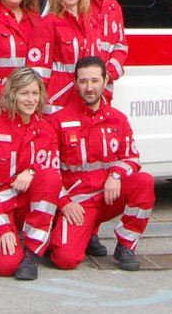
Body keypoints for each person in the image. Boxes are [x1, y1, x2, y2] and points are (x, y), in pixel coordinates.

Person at [49, 57, 153, 272]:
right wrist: (64, 203)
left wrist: (115, 175)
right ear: (75, 82)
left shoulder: (118, 119)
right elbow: (48, 170)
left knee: (144, 181)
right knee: (65, 260)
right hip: (78, 203)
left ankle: (126, 245)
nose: (89, 87)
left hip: (108, 196)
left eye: (95, 81)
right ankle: (78, 233)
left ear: (105, 81)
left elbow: (132, 158)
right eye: (83, 81)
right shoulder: (58, 120)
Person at [0, 68, 62, 281]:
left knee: (49, 178)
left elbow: (52, 175)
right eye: (24, 93)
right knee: (5, 266)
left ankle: (32, 253)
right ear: (12, 94)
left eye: (35, 93)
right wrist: (1, 228)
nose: (30, 99)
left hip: (23, 204)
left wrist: (32, 170)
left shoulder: (46, 130)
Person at [46, 0, 108, 112]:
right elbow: (37, 73)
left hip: (87, 98)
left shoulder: (91, 22)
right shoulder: (48, 23)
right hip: (59, 101)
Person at [84, 0, 129, 87]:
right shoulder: (76, 1)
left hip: (103, 88)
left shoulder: (114, 7)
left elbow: (120, 47)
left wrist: (107, 75)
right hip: (78, 85)